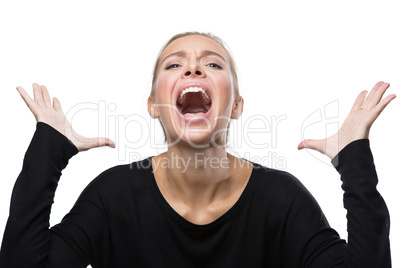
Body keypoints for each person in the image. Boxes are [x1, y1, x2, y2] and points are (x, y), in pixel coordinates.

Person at [0, 31, 395, 267]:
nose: (192, 69)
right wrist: (47, 154)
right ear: (153, 105)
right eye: (174, 65)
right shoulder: (113, 196)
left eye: (213, 64)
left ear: (236, 105)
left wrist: (354, 160)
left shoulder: (281, 199)